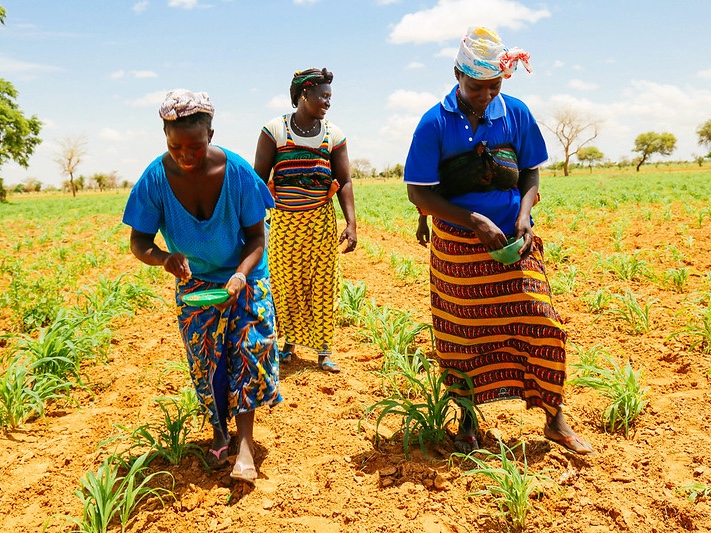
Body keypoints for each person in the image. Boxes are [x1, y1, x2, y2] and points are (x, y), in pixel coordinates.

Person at [403, 27, 594, 455]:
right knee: (465, 335)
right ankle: (467, 424)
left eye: (494, 85)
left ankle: (555, 419)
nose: (486, 94)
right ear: (457, 75)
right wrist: (473, 221)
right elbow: (419, 192)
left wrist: (524, 216)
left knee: (542, 321)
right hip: (457, 248)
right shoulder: (435, 121)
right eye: (476, 86)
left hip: (513, 239)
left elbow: (530, 172)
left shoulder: (516, 113)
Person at [122, 89, 282, 483]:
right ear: (165, 138)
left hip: (245, 275)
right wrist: (164, 258)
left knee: (248, 352)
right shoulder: (155, 179)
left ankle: (245, 446)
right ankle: (219, 431)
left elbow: (256, 238)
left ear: (211, 134)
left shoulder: (238, 173)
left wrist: (241, 274)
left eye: (194, 145)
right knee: (207, 362)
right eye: (175, 147)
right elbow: (139, 242)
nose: (185, 155)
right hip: (194, 285)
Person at [253, 68, 357, 374]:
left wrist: (350, 224)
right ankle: (288, 345)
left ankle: (324, 352)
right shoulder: (275, 130)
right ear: (304, 94)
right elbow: (258, 179)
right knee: (287, 285)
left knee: (323, 285)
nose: (327, 102)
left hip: (321, 224)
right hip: (284, 223)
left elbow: (345, 181)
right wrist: (252, 222)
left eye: (330, 97)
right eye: (323, 95)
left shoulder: (333, 135)